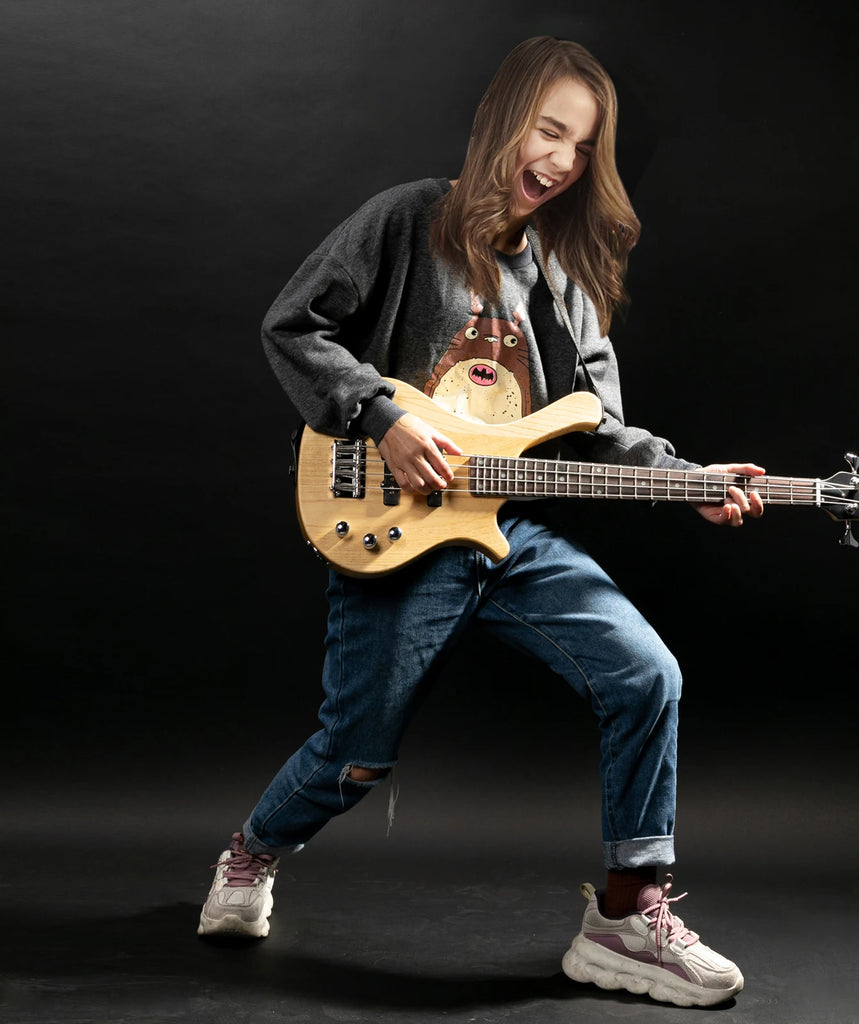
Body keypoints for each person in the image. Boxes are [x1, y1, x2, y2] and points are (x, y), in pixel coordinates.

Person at [198, 36, 764, 1009]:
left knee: (647, 674)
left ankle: (626, 916)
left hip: (506, 538)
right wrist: (383, 415)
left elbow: (599, 431)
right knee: (353, 757)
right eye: (549, 130)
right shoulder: (405, 218)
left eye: (581, 147)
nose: (561, 160)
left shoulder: (564, 277)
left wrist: (687, 481)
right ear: (504, 120)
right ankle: (252, 851)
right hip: (397, 535)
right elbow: (292, 324)